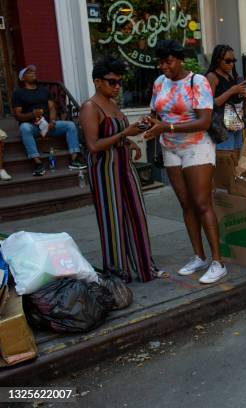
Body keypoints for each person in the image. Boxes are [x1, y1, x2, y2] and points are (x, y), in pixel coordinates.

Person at [144, 40, 227, 284]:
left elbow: (203, 121)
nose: (164, 67)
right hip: (170, 148)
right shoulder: (159, 83)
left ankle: (218, 262)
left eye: (168, 61)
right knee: (186, 204)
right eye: (160, 62)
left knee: (202, 204)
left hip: (197, 146)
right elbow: (155, 113)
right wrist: (149, 124)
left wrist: (166, 126)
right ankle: (199, 256)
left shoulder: (197, 82)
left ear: (179, 59)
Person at [79, 57, 163, 283]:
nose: (117, 86)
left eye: (119, 82)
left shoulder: (112, 104)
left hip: (124, 166)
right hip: (104, 169)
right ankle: (118, 272)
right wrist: (125, 135)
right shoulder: (90, 107)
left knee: (137, 213)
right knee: (112, 219)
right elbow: (94, 145)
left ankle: (145, 267)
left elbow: (117, 134)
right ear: (97, 81)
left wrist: (132, 141)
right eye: (111, 82)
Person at [12, 65, 86, 176]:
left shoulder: (44, 90)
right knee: (24, 128)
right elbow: (18, 116)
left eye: (33, 71)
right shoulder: (19, 93)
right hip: (33, 127)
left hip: (48, 126)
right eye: (29, 72)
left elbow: (52, 108)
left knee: (70, 125)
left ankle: (74, 159)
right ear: (22, 78)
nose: (33, 73)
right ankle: (37, 163)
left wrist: (52, 121)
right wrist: (31, 114)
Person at [206, 44, 246, 162]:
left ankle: (234, 181)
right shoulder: (212, 76)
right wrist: (231, 91)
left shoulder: (230, 76)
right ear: (218, 60)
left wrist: (243, 95)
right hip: (222, 126)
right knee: (226, 162)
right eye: (228, 61)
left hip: (235, 123)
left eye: (233, 61)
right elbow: (210, 104)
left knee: (236, 161)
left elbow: (233, 101)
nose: (231, 64)